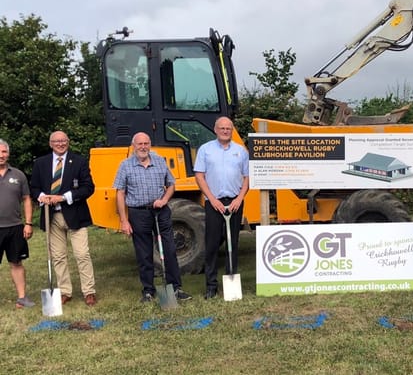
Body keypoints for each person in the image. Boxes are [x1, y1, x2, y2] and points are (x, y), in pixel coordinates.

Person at [113, 132, 192, 302]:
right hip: (138, 212)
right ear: (134, 146)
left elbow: (171, 185)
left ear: (150, 145)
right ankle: (148, 290)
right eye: (140, 144)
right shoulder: (125, 165)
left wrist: (164, 200)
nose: (143, 147)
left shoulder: (160, 161)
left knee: (170, 250)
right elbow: (120, 193)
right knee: (144, 253)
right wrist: (124, 220)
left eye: (146, 143)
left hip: (160, 211)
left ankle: (176, 288)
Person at [30, 131, 97, 306]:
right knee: (58, 257)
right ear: (50, 143)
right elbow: (34, 188)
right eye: (56, 141)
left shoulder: (79, 161)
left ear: (68, 142)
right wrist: (42, 196)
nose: (60, 144)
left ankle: (89, 291)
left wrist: (64, 197)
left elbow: (88, 188)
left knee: (82, 254)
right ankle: (65, 291)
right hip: (51, 217)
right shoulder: (40, 163)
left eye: (63, 141)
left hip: (75, 215)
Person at [194, 116, 249, 299]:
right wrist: (212, 199)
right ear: (216, 130)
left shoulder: (240, 151)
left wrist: (239, 199)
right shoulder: (206, 150)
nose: (225, 131)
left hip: (234, 203)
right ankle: (211, 286)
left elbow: (247, 177)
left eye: (228, 128)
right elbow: (200, 176)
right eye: (222, 128)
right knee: (212, 244)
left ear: (231, 130)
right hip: (214, 203)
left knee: (233, 244)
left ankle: (231, 284)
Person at [0, 139, 35, 308]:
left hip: (15, 227)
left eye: (4, 152)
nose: (1, 155)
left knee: (17, 263)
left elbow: (27, 199)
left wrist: (28, 223)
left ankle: (22, 298)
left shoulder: (18, 175)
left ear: (8, 154)